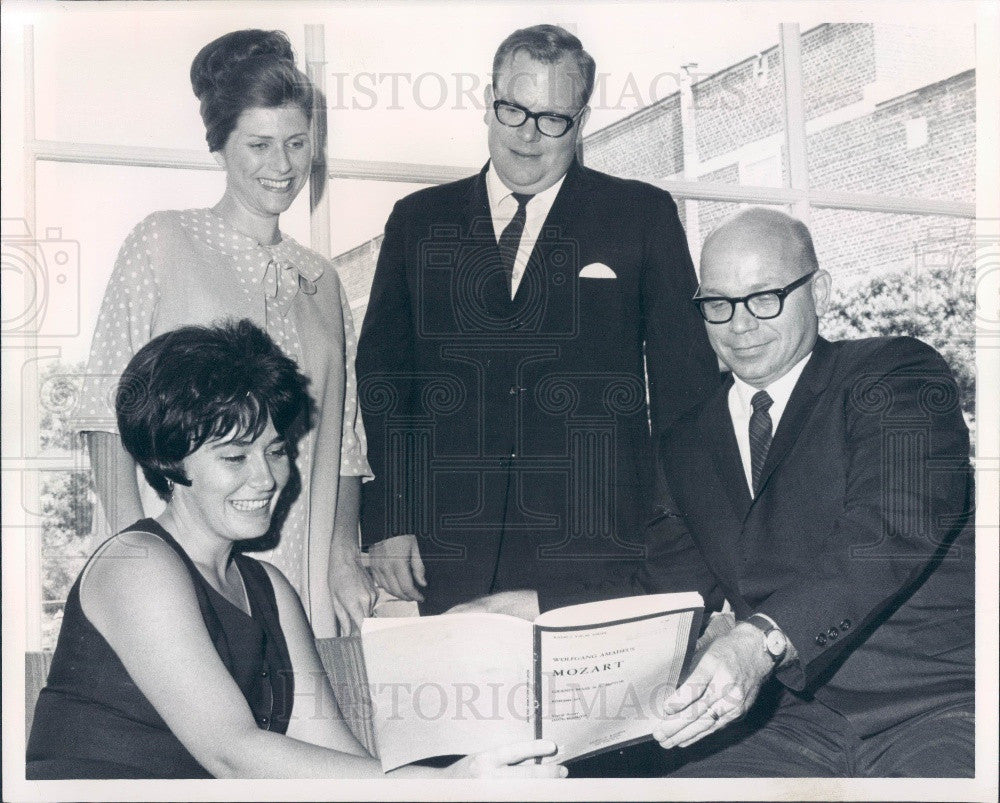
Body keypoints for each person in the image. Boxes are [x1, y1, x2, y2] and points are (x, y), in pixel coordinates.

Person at [27, 320, 566, 780]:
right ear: (170, 461)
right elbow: (232, 752)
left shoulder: (270, 590)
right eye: (235, 458)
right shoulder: (135, 567)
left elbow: (332, 750)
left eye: (277, 450)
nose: (267, 478)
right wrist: (441, 786)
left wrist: (466, 774)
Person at [339, 24, 718, 624]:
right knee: (464, 710)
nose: (527, 134)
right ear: (488, 99)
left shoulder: (640, 216)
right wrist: (391, 517)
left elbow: (685, 390)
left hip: (598, 549)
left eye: (552, 118)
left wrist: (673, 535)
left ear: (582, 119)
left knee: (597, 718)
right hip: (447, 548)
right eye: (512, 109)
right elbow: (387, 381)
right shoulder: (417, 221)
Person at [645, 208, 974, 776]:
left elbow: (892, 530)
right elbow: (662, 587)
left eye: (764, 297)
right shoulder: (686, 439)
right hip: (791, 725)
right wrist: (527, 612)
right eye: (717, 303)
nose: (739, 325)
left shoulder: (896, 375)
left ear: (818, 290)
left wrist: (760, 642)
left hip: (938, 704)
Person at [71, 29, 374, 639]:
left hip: (299, 563)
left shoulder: (321, 279)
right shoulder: (162, 241)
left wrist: (342, 554)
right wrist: (138, 554)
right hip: (179, 551)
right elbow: (104, 413)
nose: (282, 166)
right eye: (259, 144)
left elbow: (341, 439)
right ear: (221, 146)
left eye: (296, 143)